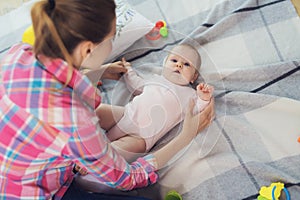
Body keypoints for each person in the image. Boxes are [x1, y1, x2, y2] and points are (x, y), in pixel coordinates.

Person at [0, 1, 214, 200]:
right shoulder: (76, 120)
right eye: (113, 37)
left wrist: (97, 72)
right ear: (88, 49)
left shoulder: (18, 52)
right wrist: (186, 136)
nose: (113, 45)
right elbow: (127, 178)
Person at [97, 44, 214, 161]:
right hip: (125, 115)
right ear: (164, 64)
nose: (179, 65)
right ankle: (80, 124)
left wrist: (204, 98)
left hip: (141, 138)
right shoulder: (155, 79)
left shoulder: (190, 95)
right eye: (174, 60)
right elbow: (136, 84)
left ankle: (96, 159)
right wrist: (128, 70)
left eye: (187, 64)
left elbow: (197, 110)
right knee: (99, 110)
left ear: (194, 76)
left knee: (115, 153)